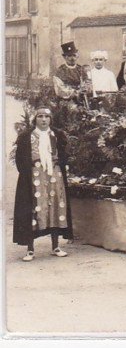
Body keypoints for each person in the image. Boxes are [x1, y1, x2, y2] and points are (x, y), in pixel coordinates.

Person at [13, 107, 73, 261]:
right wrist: (29, 171)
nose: (44, 119)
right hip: (34, 175)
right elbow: (20, 158)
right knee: (34, 207)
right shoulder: (26, 136)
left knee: (55, 206)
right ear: (35, 119)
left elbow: (65, 153)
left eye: (47, 116)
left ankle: (55, 246)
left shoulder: (57, 135)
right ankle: (30, 249)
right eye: (40, 116)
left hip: (54, 174)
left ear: (51, 119)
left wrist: (59, 164)